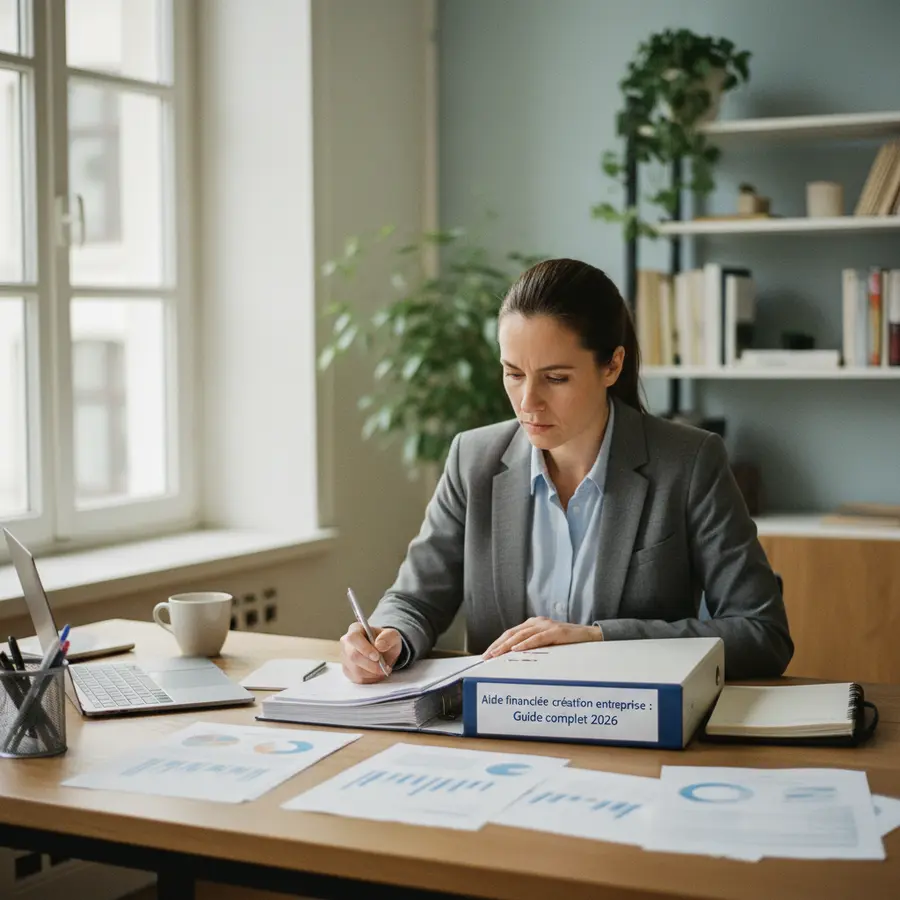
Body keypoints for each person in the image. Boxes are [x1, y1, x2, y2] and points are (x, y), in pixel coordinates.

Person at [340, 258, 793, 684]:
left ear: (612, 365)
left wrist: (600, 639)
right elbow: (415, 598)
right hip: (501, 726)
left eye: (555, 378)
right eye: (513, 373)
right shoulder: (472, 458)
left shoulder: (690, 462)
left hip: (633, 727)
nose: (527, 402)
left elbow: (762, 633)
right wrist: (389, 638)